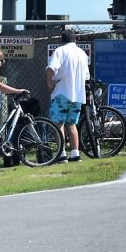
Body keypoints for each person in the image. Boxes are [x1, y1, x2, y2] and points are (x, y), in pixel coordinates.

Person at [47, 27, 90, 162]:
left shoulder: (60, 51)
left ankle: (61, 154)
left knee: (58, 124)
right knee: (71, 124)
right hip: (77, 94)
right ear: (75, 39)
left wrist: (50, 83)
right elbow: (87, 76)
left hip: (61, 92)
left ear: (62, 40)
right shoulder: (82, 53)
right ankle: (75, 153)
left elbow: (50, 69)